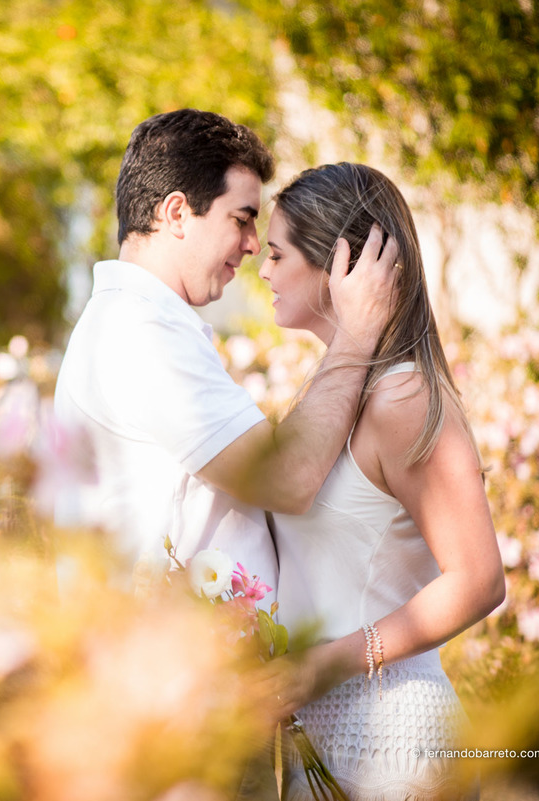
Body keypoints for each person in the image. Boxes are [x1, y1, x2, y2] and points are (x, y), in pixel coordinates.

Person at [53, 108, 399, 596]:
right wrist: (358, 337)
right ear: (176, 213)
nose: (254, 244)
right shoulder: (141, 334)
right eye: (241, 220)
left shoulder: (134, 324)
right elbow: (286, 477)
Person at [257, 163, 506, 800]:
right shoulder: (338, 392)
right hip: (323, 735)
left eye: (276, 253)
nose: (262, 271)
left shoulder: (404, 398)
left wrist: (323, 665)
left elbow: (479, 580)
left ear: (340, 261)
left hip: (396, 743)